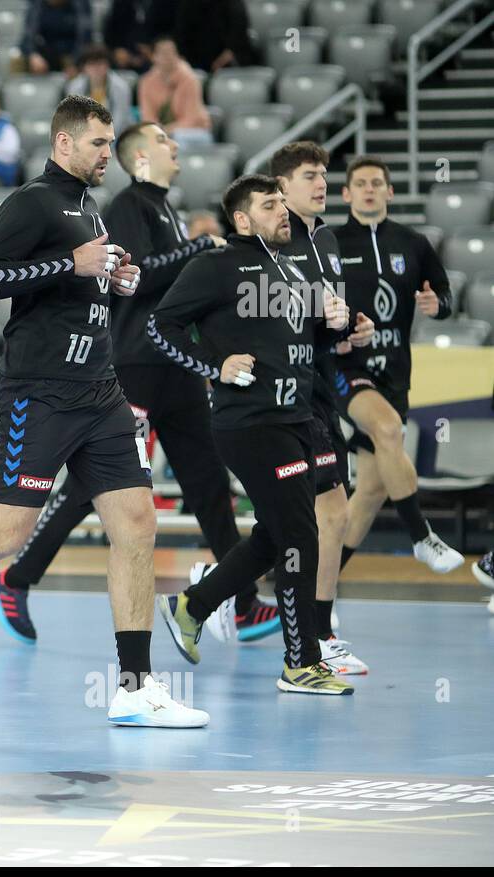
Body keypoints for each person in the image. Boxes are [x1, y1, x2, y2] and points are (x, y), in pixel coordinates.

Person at [0, 96, 209, 729]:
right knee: (6, 535)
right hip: (39, 391)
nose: (108, 154)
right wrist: (69, 264)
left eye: (111, 143)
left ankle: (133, 686)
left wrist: (114, 277)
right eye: (99, 143)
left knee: (136, 522)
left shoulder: (88, 206)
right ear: (64, 144)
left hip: (99, 390)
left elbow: (74, 282)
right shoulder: (30, 201)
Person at [0, 122, 285, 645]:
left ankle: (238, 601)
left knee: (209, 483)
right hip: (137, 363)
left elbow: (139, 275)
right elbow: (141, 276)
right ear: (142, 156)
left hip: (176, 366)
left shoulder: (162, 207)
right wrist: (198, 249)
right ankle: (18, 576)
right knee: (91, 485)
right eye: (165, 141)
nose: (175, 146)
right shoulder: (128, 205)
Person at [152, 174, 355, 696]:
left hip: (297, 419)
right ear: (242, 219)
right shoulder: (214, 266)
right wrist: (214, 364)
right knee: (299, 536)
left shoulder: (288, 267)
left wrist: (339, 322)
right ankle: (300, 662)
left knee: (275, 532)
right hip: (250, 423)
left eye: (283, 203)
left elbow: (309, 337)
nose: (283, 211)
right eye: (270, 205)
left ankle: (192, 605)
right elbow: (161, 326)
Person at [265, 141, 374, 674]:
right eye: (310, 176)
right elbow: (262, 308)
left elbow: (327, 316)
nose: (321, 184)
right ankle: (317, 631)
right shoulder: (273, 241)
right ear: (282, 187)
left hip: (321, 390)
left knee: (316, 517)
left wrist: (352, 327)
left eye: (324, 176)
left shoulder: (326, 238)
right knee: (323, 514)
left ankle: (207, 595)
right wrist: (319, 316)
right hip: (285, 399)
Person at [333, 156, 463, 575]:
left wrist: (436, 304)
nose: (369, 189)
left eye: (377, 183)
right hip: (346, 367)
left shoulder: (413, 243)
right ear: (347, 193)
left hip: (395, 373)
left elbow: (444, 295)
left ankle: (314, 590)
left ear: (389, 192)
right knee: (388, 429)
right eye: (361, 183)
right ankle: (422, 537)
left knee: (370, 489)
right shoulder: (330, 243)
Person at [138, 36, 212, 151]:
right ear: (154, 57)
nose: (168, 56)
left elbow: (192, 118)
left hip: (194, 131)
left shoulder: (190, 79)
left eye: (171, 52)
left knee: (178, 139)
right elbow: (148, 118)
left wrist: (166, 130)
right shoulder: (146, 82)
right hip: (162, 132)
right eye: (163, 52)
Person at [65, 45, 134, 136]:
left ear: (108, 65)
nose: (96, 69)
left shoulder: (121, 87)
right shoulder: (74, 87)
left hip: (117, 135)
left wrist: (105, 137)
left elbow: (120, 118)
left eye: (100, 64)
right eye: (91, 64)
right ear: (84, 67)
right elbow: (75, 117)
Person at [174, 0, 256, 73]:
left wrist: (221, 61)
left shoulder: (233, 4)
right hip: (195, 61)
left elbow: (238, 37)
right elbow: (181, 36)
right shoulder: (188, 4)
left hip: (227, 61)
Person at [103, 0, 179, 73]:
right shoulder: (121, 3)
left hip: (156, 54)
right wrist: (117, 50)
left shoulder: (168, 3)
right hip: (125, 57)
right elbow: (110, 32)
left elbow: (173, 31)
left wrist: (155, 51)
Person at [22, 0, 94, 77]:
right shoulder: (37, 4)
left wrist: (76, 62)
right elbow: (28, 35)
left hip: (71, 52)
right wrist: (33, 54)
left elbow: (85, 37)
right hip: (47, 51)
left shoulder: (80, 4)